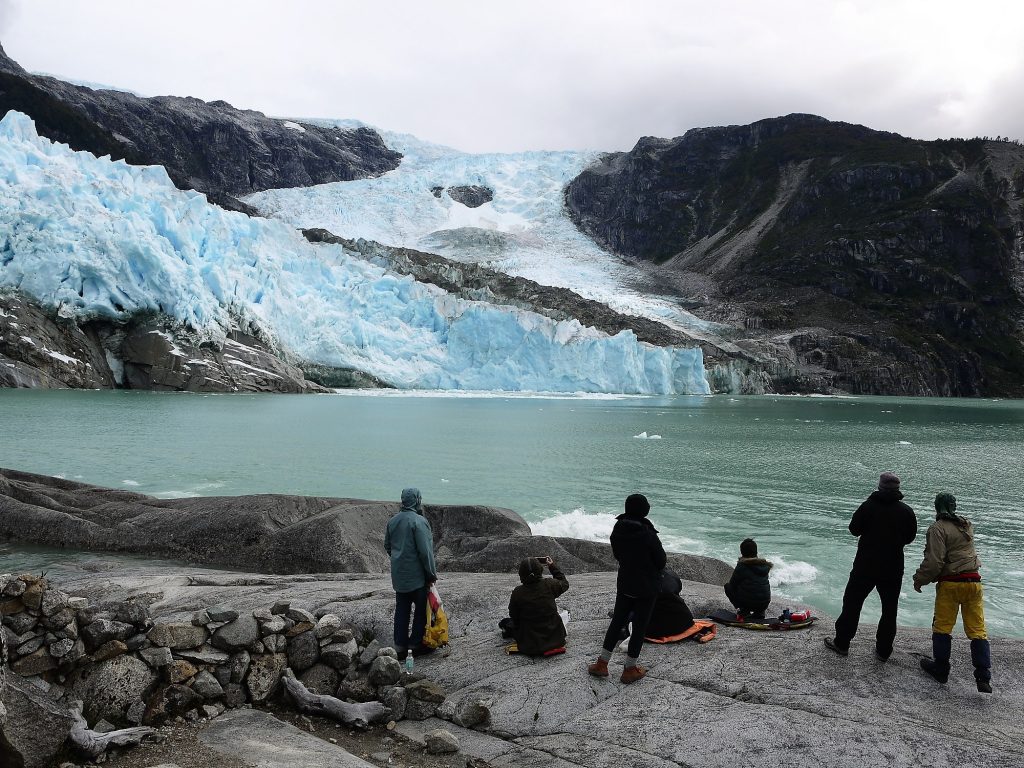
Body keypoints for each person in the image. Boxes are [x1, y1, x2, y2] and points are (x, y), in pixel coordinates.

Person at [824, 472, 917, 660]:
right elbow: (910, 538)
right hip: (893, 567)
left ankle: (842, 643)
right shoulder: (906, 511)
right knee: (889, 609)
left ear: (880, 487)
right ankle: (883, 651)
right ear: (898, 489)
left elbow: (853, 530)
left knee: (852, 603)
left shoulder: (868, 506)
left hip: (865, 565)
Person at [913, 493, 992, 693]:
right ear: (954, 506)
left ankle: (941, 669)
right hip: (974, 581)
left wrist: (919, 579)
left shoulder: (937, 529)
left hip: (951, 583)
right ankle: (983, 676)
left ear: (936, 507)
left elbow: (934, 562)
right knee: (977, 629)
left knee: (943, 627)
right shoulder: (966, 525)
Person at [588, 493, 667, 684]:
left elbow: (618, 554)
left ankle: (602, 663)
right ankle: (630, 668)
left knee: (617, 621)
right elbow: (661, 560)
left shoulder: (618, 527)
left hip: (625, 583)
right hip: (647, 587)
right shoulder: (648, 533)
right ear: (643, 510)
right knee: (639, 627)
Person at [384, 487, 438, 660]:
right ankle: (415, 644)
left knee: (402, 609)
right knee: (421, 610)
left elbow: (387, 546)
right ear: (417, 500)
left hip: (399, 576)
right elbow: (425, 551)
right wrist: (431, 574)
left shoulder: (393, 521)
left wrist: (399, 559)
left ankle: (400, 646)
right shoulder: (419, 521)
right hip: (418, 577)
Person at [507, 556, 570, 655]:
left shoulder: (518, 592)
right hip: (556, 637)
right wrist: (552, 566)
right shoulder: (550, 584)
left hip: (530, 642)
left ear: (521, 573)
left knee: (506, 623)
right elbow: (564, 583)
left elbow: (513, 615)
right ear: (540, 570)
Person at [723, 538, 772, 619]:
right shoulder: (764, 565)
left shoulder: (742, 566)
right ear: (756, 551)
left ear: (742, 552)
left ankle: (744, 611)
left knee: (727, 587)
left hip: (748, 603)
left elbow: (732, 585)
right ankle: (760, 613)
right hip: (764, 604)